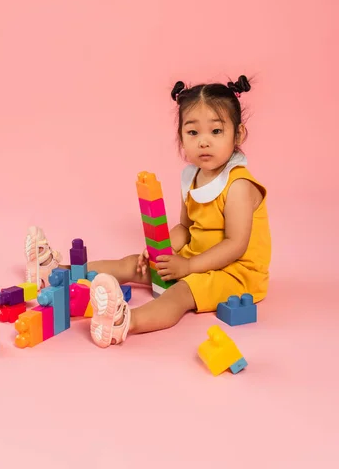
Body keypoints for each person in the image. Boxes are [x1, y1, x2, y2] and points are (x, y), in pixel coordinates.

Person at [25, 75, 271, 349]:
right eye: (193, 132)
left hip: (235, 272)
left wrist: (188, 267)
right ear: (180, 137)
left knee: (180, 293)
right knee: (135, 263)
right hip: (197, 259)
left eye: (216, 132)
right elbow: (186, 228)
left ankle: (124, 322)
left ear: (238, 135)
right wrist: (159, 250)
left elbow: (236, 245)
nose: (204, 142)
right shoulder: (192, 177)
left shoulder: (238, 185)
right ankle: (58, 272)